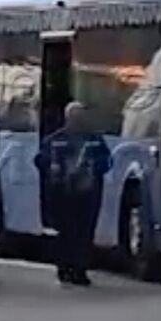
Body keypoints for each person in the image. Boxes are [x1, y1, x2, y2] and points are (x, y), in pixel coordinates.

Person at [35, 101, 111, 286]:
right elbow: (40, 159)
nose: (79, 120)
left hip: (88, 193)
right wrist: (53, 169)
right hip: (63, 193)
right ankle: (64, 268)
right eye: (75, 117)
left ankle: (80, 269)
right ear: (67, 118)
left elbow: (107, 161)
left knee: (84, 233)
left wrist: (93, 170)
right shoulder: (56, 140)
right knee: (66, 232)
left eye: (81, 117)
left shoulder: (94, 140)